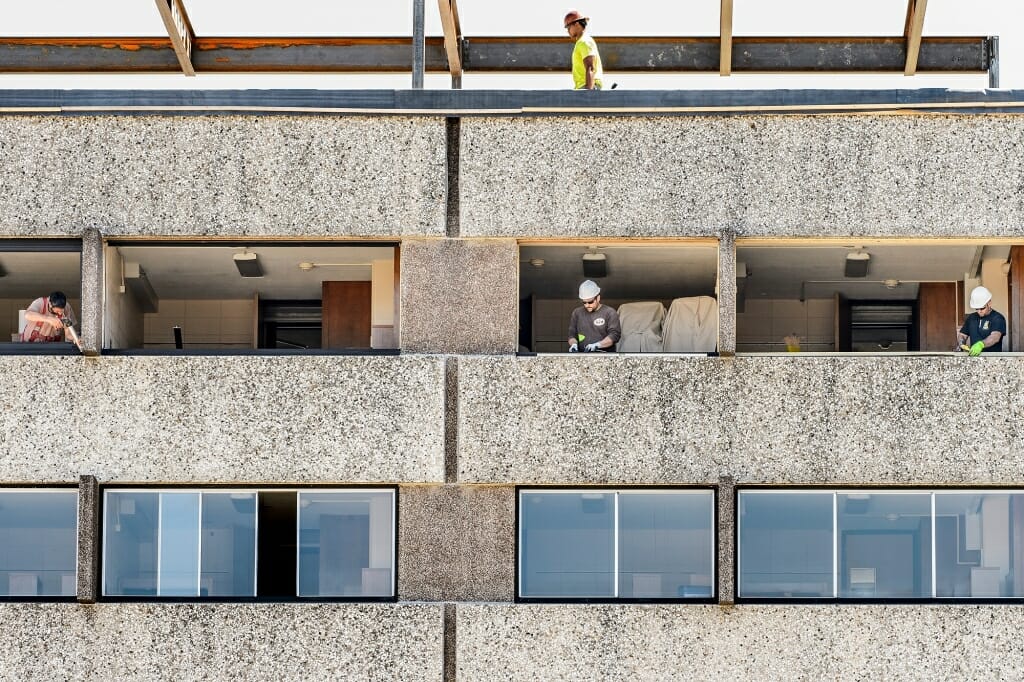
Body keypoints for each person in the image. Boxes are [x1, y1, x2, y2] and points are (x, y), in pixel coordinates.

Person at [568, 280, 620, 352]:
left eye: (590, 302)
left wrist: (597, 345)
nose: (587, 305)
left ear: (598, 298)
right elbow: (572, 335)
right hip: (582, 357)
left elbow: (614, 335)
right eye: (584, 302)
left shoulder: (609, 312)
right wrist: (573, 344)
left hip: (605, 357)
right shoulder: (577, 313)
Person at [958, 285, 1006, 355]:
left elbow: (995, 337)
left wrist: (981, 344)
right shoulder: (971, 318)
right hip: (974, 358)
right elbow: (962, 334)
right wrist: (961, 343)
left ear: (989, 303)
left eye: (982, 308)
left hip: (992, 359)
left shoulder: (998, 318)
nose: (979, 311)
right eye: (977, 309)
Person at [564, 10, 603, 90]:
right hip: (585, 87)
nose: (567, 30)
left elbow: (590, 68)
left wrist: (588, 95)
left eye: (568, 26)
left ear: (577, 24)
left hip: (587, 86)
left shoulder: (584, 41)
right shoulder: (582, 42)